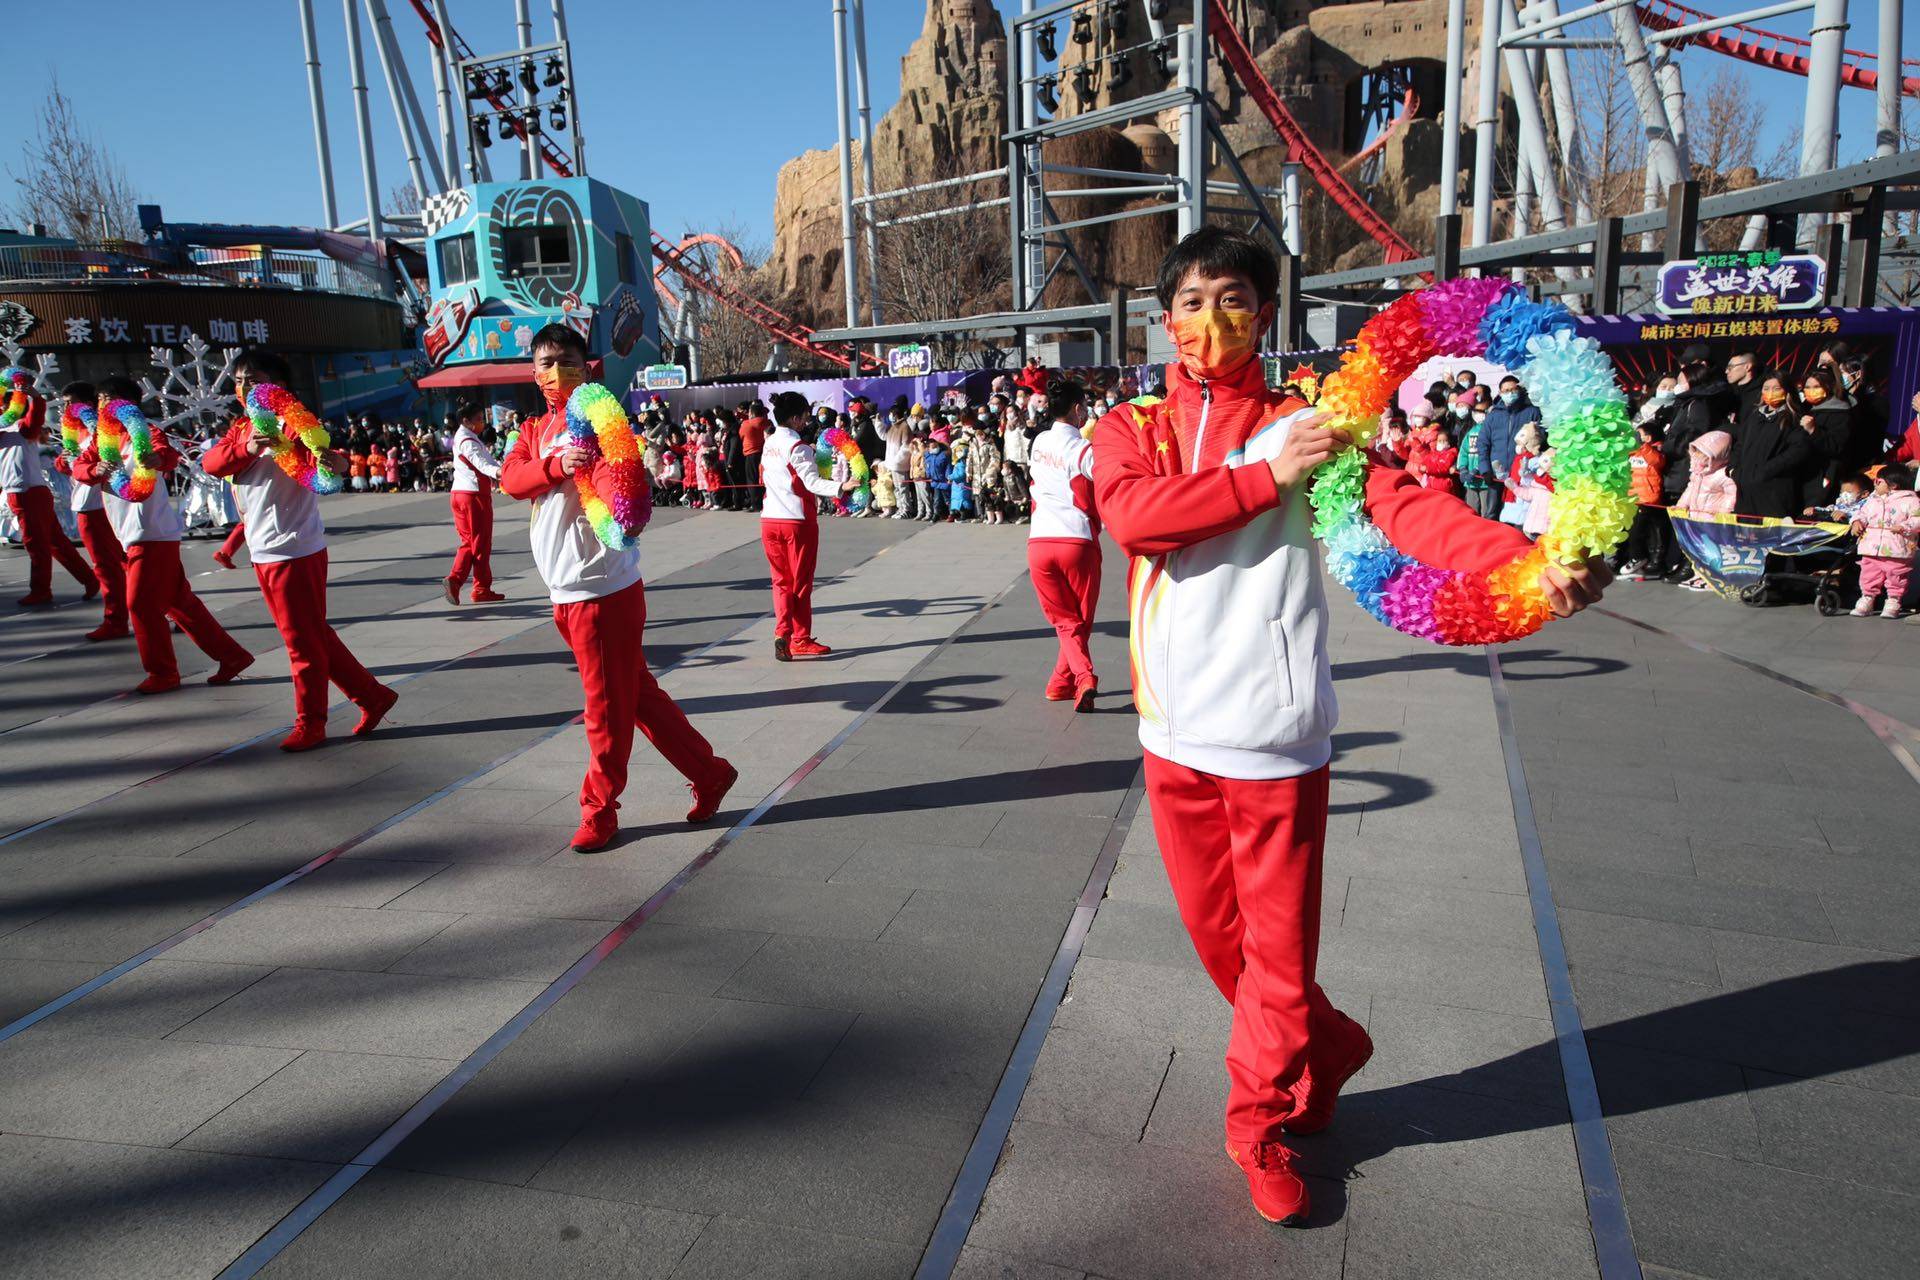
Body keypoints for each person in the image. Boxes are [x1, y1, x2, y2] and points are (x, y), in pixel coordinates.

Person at [1090, 227, 1610, 1228]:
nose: (1211, 319)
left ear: (1266, 314)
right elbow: (1135, 518)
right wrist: (1260, 476)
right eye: (1191, 302)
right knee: (1222, 951)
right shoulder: (1133, 427)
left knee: (1275, 961)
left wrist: (1524, 563)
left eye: (1233, 298)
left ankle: (1260, 1121)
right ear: (1166, 321)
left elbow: (1403, 511)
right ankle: (1326, 1046)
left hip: (1279, 738)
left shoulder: (1312, 423)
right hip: (1172, 734)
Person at [499, 324, 737, 852]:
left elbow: (617, 479)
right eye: (543, 362)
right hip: (565, 589)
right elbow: (511, 478)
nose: (553, 370)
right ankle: (709, 770)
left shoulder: (602, 421)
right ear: (532, 372)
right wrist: (555, 465)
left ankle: (599, 809)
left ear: (588, 368)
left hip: (600, 587)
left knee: (604, 707)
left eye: (565, 360)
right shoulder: (534, 429)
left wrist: (621, 511)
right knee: (636, 696)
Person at [201, 349, 398, 752]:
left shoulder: (295, 425)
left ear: (279, 386)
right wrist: (250, 447)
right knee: (312, 635)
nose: (244, 388)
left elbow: (325, 462)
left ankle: (311, 722)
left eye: (253, 380)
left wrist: (337, 465)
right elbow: (212, 463)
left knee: (300, 642)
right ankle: (372, 696)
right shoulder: (241, 429)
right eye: (238, 381)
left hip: (294, 548)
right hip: (263, 549)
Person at [74, 377, 253, 694]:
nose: (102, 404)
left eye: (108, 398)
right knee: (179, 602)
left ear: (127, 403)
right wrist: (93, 471)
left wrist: (158, 460)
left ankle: (163, 673)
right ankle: (233, 657)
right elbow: (79, 467)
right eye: (99, 398)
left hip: (152, 534)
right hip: (128, 536)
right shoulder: (102, 439)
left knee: (140, 605)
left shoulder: (146, 431)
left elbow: (165, 454)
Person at [760, 390, 853, 661]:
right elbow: (811, 483)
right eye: (804, 416)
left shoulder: (769, 443)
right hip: (797, 521)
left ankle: (782, 633)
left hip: (770, 520)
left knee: (780, 582)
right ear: (795, 418)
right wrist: (841, 486)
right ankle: (799, 638)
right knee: (801, 584)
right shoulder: (797, 447)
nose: (807, 420)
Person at [1027, 377, 1101, 709]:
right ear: (1076, 410)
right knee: (1078, 621)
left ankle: (1060, 683)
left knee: (1065, 621)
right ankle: (1084, 677)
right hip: (1077, 540)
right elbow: (1104, 482)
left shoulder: (1040, 441)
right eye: (1083, 406)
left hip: (1039, 542)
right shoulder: (1083, 450)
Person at [1, 375, 100, 608]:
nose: (3, 408)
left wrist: (33, 395)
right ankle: (89, 579)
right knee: (57, 544)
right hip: (20, 492)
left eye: (6, 404)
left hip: (29, 492)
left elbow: (36, 415)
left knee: (36, 544)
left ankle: (41, 590)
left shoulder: (22, 428)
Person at [51, 386, 129, 641]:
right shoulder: (76, 433)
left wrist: (89, 468)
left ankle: (116, 620)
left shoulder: (101, 430)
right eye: (63, 404)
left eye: (70, 403)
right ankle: (163, 611)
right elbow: (70, 466)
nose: (65, 409)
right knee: (122, 564)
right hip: (89, 505)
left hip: (99, 507)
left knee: (112, 566)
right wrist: (64, 461)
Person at [444, 398, 507, 606]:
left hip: (459, 494)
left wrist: (500, 468)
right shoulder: (468, 441)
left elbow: (486, 461)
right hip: (474, 497)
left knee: (469, 542)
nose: (482, 423)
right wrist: (500, 473)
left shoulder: (463, 436)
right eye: (479, 419)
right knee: (480, 544)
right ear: (466, 420)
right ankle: (475, 586)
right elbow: (482, 464)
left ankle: (460, 581)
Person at [1729, 375, 1812, 518]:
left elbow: (1798, 451)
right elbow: (1740, 444)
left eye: (1776, 388)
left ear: (1787, 391)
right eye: (1766, 388)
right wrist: (1733, 469)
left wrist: (1766, 471)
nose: (1770, 392)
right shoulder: (1755, 416)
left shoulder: (1793, 418)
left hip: (1775, 490)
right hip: (1745, 488)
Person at [1847, 464, 1918, 618]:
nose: (1875, 483)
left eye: (1879, 481)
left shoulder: (1910, 501)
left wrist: (1904, 526)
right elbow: (1861, 513)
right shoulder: (1873, 500)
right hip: (1871, 547)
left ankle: (1893, 599)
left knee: (1896, 575)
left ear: (1893, 485)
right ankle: (1867, 597)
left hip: (1897, 548)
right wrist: (1857, 521)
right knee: (1869, 573)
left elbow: (1917, 519)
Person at [1475, 374, 1543, 493]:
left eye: (1513, 390)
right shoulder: (1493, 415)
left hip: (1522, 473)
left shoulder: (1532, 412)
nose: (1510, 393)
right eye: (1506, 391)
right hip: (1496, 475)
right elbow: (1482, 443)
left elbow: (1539, 440)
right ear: (1500, 393)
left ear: (1520, 390)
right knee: (1491, 511)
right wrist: (1485, 469)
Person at [1619, 421, 1668, 580]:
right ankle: (1640, 562)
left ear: (1648, 437)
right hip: (1634, 496)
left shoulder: (1656, 450)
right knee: (1636, 530)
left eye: (1639, 434)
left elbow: (1657, 461)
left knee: (1639, 531)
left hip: (1648, 497)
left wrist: (1643, 447)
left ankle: (1639, 558)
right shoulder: (1634, 452)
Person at [1797, 367, 1852, 510]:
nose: (1811, 390)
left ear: (1828, 387)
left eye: (1816, 386)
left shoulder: (1841, 413)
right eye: (1807, 387)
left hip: (1823, 476)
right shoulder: (1802, 410)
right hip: (1802, 475)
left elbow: (1836, 446)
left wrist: (1813, 431)